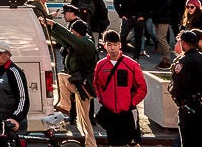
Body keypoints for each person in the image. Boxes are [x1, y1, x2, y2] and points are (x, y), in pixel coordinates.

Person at [42, 19, 97, 147]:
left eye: (73, 30)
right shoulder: (79, 43)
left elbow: (69, 37)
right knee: (84, 120)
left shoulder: (86, 44)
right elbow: (64, 39)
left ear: (78, 32)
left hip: (84, 86)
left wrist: (54, 24)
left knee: (84, 120)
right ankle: (91, 144)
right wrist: (49, 28)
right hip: (78, 84)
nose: (71, 32)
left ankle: (65, 106)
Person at [93, 30, 146, 147]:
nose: (113, 48)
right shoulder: (100, 65)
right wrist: (103, 100)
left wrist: (132, 102)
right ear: (104, 45)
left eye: (115, 45)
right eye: (110, 45)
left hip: (127, 112)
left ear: (120, 45)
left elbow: (142, 87)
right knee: (114, 143)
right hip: (110, 111)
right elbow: (97, 85)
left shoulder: (131, 64)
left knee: (133, 143)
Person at [170, 29, 202, 147]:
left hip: (189, 106)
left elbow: (178, 85)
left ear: (183, 43)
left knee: (188, 140)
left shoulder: (183, 61)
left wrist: (176, 96)